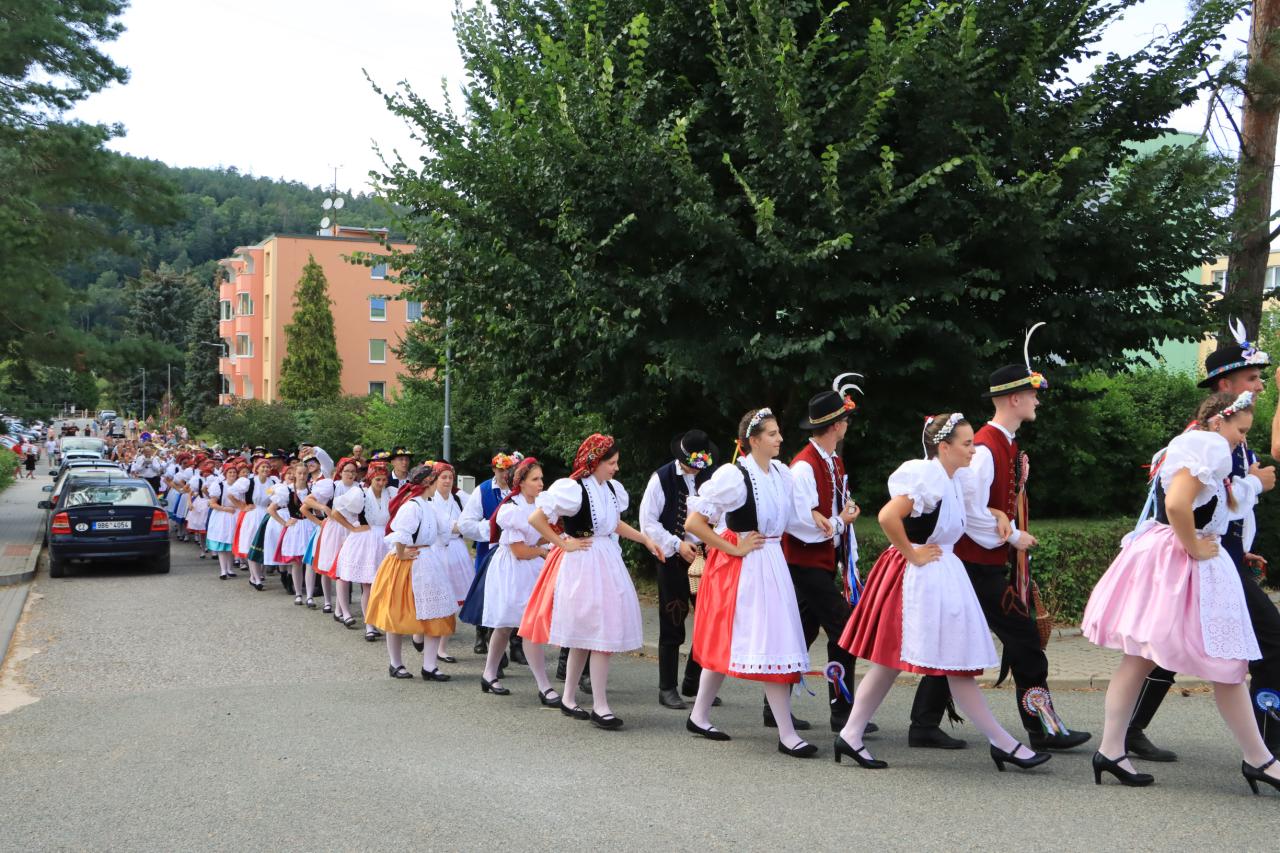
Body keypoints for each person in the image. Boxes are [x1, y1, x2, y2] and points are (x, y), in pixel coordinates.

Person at [1083, 391, 1279, 793]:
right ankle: (1260, 760)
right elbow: (1176, 505)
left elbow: (1207, 506)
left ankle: (1110, 751)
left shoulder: (1195, 443)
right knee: (1227, 663)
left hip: (1165, 560)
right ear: (1219, 422)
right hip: (1183, 564)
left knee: (1139, 658)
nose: (1242, 439)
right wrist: (1193, 546)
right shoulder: (1210, 446)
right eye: (1241, 430)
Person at [834, 414, 1050, 772]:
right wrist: (913, 553)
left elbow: (969, 510)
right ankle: (1003, 744)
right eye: (967, 444)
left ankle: (850, 734)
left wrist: (998, 514)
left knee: (898, 664)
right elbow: (888, 516)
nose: (973, 450)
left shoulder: (954, 478)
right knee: (951, 665)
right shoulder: (929, 476)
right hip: (918, 577)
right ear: (944, 447)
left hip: (940, 573)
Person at [910, 327, 1091, 752]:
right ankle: (1042, 727)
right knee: (1025, 642)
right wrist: (1012, 536)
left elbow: (984, 506)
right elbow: (967, 511)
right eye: (1032, 395)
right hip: (975, 565)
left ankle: (923, 724)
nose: (1037, 401)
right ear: (1014, 399)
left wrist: (1003, 523)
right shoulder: (987, 447)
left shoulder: (1002, 443)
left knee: (956, 644)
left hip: (985, 564)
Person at [1126, 323, 1280, 761]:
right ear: (1225, 386)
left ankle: (1128, 731)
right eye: (1251, 378)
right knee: (1271, 640)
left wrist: (1239, 545)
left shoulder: (1228, 434)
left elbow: (1216, 507)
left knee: (1172, 644)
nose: (1260, 385)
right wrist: (1257, 484)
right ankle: (1268, 749)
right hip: (1206, 558)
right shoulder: (1210, 439)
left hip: (1222, 555)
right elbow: (1182, 504)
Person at [682, 408, 817, 758]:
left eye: (778, 432)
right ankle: (786, 733)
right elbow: (694, 524)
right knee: (771, 643)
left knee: (749, 643)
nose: (780, 439)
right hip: (745, 569)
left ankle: (698, 715)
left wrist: (831, 521)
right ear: (754, 440)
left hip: (772, 563)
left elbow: (792, 520)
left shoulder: (781, 474)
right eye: (772, 434)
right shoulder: (735, 475)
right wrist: (733, 548)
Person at [523, 434, 662, 728]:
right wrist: (563, 544)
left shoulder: (610, 489)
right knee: (597, 634)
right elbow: (536, 519)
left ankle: (568, 698)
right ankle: (600, 705)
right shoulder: (573, 489)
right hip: (583, 564)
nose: (616, 468)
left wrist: (645, 540)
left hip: (606, 561)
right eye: (612, 463)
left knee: (589, 635)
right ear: (596, 462)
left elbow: (613, 524)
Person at [782, 378, 865, 733]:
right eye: (845, 419)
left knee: (801, 632)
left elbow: (826, 511)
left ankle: (774, 707)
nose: (847, 424)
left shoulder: (831, 460)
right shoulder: (804, 466)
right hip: (804, 561)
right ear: (835, 425)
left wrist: (842, 514)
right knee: (844, 629)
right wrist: (840, 520)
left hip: (820, 560)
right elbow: (800, 522)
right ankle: (842, 713)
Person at [638, 429, 719, 709]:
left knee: (710, 619)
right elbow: (648, 522)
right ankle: (667, 687)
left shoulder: (710, 476)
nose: (695, 470)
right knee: (673, 619)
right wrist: (676, 543)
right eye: (691, 464)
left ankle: (693, 681)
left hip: (706, 557)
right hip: (673, 558)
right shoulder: (662, 479)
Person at [466, 457, 547, 698]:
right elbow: (520, 551)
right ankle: (544, 686)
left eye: (541, 478)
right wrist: (542, 551)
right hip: (513, 570)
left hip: (531, 568)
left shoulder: (540, 504)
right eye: (535, 479)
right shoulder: (511, 510)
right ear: (521, 483)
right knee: (516, 627)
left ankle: (489, 674)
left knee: (509, 627)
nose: (541, 483)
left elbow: (539, 536)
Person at [367, 464, 456, 680]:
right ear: (428, 483)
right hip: (407, 562)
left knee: (436, 612)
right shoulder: (412, 506)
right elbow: (401, 533)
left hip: (427, 560)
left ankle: (430, 666)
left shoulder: (429, 505)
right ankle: (395, 664)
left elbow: (444, 530)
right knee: (397, 613)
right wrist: (401, 553)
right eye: (436, 480)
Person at [457, 450, 520, 655]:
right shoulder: (483, 490)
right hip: (489, 551)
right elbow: (466, 524)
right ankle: (482, 635)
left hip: (517, 551)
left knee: (515, 595)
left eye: (508, 470)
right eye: (501, 470)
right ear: (494, 469)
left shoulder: (519, 489)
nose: (505, 474)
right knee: (487, 593)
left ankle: (516, 645)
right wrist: (490, 528)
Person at [336, 461, 398, 640]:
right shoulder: (360, 493)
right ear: (371, 479)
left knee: (385, 585)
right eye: (378, 479)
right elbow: (336, 512)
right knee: (368, 585)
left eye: (384, 479)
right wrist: (352, 528)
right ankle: (369, 625)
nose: (381, 483)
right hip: (366, 540)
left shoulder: (390, 493)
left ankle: (380, 620)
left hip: (385, 541)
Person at [430, 462, 472, 662]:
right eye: (443, 477)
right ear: (435, 479)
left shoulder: (459, 498)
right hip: (435, 551)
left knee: (452, 601)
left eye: (450, 477)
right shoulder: (429, 499)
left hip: (456, 552)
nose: (447, 481)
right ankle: (421, 633)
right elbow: (440, 526)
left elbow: (472, 517)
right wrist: (459, 526)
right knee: (432, 598)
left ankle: (442, 648)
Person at [315, 458, 363, 627]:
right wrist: (323, 508)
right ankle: (340, 609)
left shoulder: (360, 487)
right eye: (347, 471)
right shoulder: (333, 486)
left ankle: (339, 610)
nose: (350, 474)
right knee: (338, 569)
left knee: (346, 569)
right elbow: (308, 501)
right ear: (340, 472)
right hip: (336, 528)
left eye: (353, 471)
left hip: (353, 529)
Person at [230, 458, 279, 591]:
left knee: (264, 545)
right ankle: (256, 578)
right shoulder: (249, 482)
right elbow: (230, 494)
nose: (265, 469)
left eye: (267, 467)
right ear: (256, 469)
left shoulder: (273, 482)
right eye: (262, 467)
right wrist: (242, 506)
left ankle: (257, 575)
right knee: (251, 545)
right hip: (253, 515)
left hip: (267, 514)